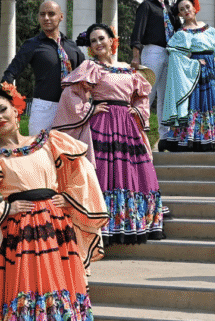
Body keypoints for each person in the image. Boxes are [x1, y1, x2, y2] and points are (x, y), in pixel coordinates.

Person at [0, 87, 108, 318]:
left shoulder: (50, 141)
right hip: (19, 234)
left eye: (2, 110)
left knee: (59, 287)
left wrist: (69, 197)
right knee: (24, 287)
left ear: (16, 110)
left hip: (56, 227)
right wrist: (5, 208)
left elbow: (82, 172)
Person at [54, 24, 166, 245]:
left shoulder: (128, 68)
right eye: (93, 41)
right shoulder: (90, 67)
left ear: (112, 40)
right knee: (104, 173)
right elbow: (71, 93)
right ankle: (103, 227)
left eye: (101, 38)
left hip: (127, 126)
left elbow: (142, 95)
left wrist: (138, 111)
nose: (98, 44)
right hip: (102, 125)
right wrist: (89, 109)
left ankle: (132, 224)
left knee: (135, 173)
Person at [1, 0, 85, 135]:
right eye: (42, 14)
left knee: (70, 152)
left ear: (61, 17)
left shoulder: (71, 46)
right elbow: (10, 73)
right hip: (44, 108)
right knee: (39, 152)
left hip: (71, 107)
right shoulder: (32, 44)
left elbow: (85, 76)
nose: (46, 18)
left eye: (51, 14)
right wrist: (11, 102)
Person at [159, 0, 215, 152]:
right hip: (195, 74)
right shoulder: (181, 34)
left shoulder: (209, 29)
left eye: (188, 7)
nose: (186, 10)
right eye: (181, 9)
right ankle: (194, 138)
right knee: (195, 104)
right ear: (179, 14)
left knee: (212, 103)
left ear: (194, 8)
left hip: (211, 72)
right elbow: (175, 56)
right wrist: (194, 62)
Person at [131, 0, 182, 145]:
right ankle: (137, 131)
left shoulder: (169, 9)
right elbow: (138, 29)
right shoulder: (147, 5)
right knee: (148, 93)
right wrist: (136, 55)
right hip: (153, 50)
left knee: (165, 97)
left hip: (170, 52)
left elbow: (179, 29)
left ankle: (164, 136)